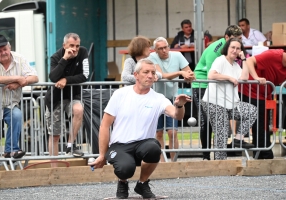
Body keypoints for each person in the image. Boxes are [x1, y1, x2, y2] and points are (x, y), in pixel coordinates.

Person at [90, 58, 192, 199]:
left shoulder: (158, 98)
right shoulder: (120, 94)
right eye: (146, 72)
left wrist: (179, 105)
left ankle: (142, 183)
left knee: (154, 147)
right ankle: (122, 182)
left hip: (143, 145)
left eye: (153, 72)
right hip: (120, 145)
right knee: (126, 170)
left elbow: (177, 115)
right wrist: (101, 155)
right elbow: (105, 125)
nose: (150, 75)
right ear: (136, 75)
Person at [0, 34, 38, 171]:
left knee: (17, 115)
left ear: (9, 47)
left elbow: (35, 77)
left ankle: (11, 150)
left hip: (10, 103)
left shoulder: (20, 58)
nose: (3, 52)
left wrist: (22, 83)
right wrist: (18, 78)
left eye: (5, 49)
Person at [201, 38, 257, 160]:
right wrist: (230, 78)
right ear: (227, 48)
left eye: (238, 48)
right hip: (214, 102)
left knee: (251, 111)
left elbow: (245, 77)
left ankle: (238, 139)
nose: (235, 50)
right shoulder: (220, 60)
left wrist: (244, 59)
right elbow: (211, 75)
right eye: (233, 47)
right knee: (222, 132)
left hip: (231, 103)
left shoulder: (236, 65)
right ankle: (220, 163)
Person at [192, 25, 243, 160]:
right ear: (226, 37)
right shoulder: (216, 50)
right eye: (234, 39)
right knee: (206, 120)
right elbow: (212, 73)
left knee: (219, 120)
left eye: (239, 40)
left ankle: (219, 153)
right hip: (202, 84)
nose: (237, 44)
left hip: (218, 84)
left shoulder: (233, 51)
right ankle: (206, 155)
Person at [148, 37, 195, 162]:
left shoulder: (178, 55)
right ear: (155, 50)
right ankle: (162, 162)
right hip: (156, 98)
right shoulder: (152, 57)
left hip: (173, 98)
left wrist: (189, 75)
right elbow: (161, 75)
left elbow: (190, 73)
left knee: (172, 132)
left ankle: (173, 162)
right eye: (160, 48)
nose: (164, 50)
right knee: (158, 133)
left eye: (166, 47)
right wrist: (180, 73)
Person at [45, 33, 89, 161]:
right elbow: (53, 77)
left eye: (77, 46)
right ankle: (54, 169)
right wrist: (64, 59)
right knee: (55, 136)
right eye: (71, 46)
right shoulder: (56, 57)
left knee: (78, 109)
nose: (75, 49)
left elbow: (85, 75)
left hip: (73, 95)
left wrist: (66, 80)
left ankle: (70, 145)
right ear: (64, 46)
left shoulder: (83, 52)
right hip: (55, 98)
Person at [242, 49, 286, 159]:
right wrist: (256, 77)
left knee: (264, 123)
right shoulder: (273, 55)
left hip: (265, 93)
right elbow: (249, 60)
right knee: (260, 122)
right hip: (252, 89)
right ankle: (263, 153)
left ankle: (262, 152)